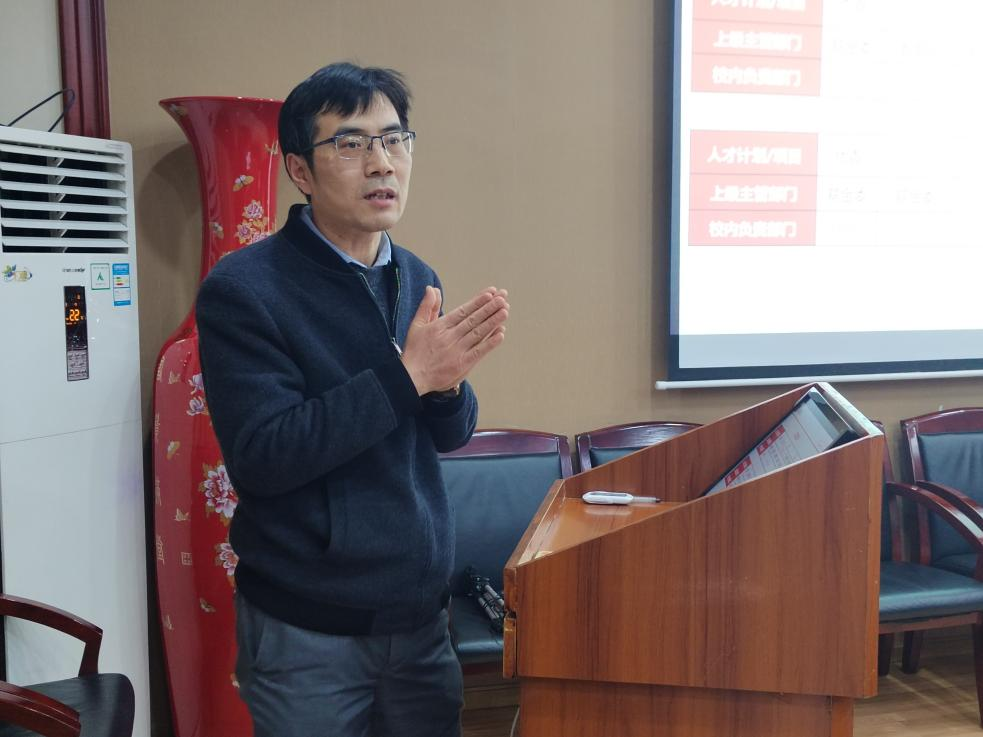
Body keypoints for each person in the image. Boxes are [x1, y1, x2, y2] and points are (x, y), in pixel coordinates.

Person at [195, 62, 510, 737]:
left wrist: (447, 384)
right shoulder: (244, 289)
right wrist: (409, 376)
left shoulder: (415, 274)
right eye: (350, 143)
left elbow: (448, 433)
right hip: (307, 632)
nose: (381, 162)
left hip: (420, 621)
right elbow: (264, 455)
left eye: (394, 140)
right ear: (300, 171)